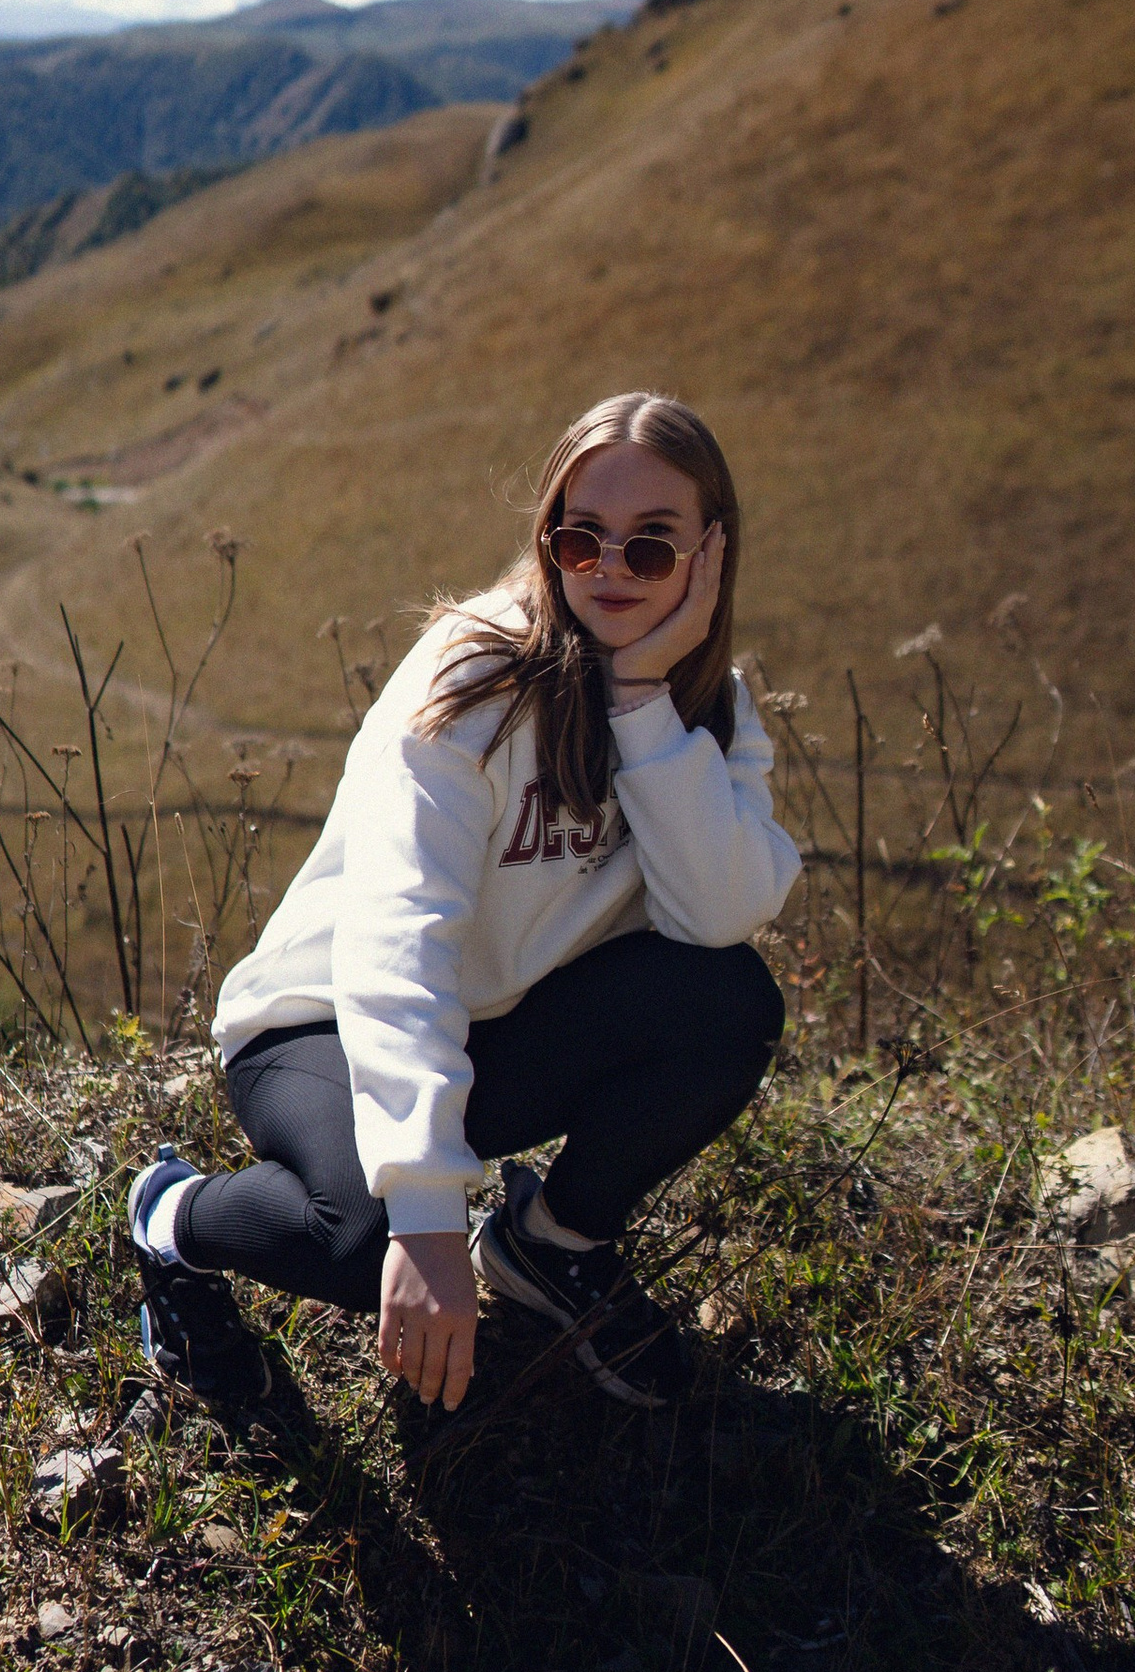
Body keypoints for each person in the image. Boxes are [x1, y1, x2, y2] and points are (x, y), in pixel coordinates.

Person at [126, 391, 800, 1416]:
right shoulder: (475, 674)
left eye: (652, 547)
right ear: (548, 540)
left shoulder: (706, 707)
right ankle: (170, 1217)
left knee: (728, 1003)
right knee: (357, 1243)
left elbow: (718, 918)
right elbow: (401, 939)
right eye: (583, 539)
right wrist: (429, 1221)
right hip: (327, 1025)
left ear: (712, 552)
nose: (610, 569)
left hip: (495, 1026)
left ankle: (553, 1247)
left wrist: (643, 704)